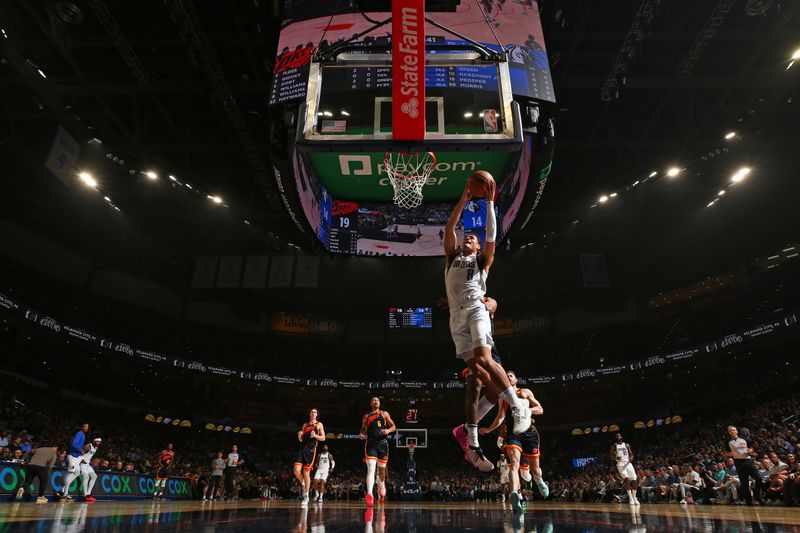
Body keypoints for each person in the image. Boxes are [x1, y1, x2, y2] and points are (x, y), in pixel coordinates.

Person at [444, 179, 531, 472]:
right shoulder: (451, 259)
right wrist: (463, 199)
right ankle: (472, 442)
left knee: (482, 364)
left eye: (471, 237)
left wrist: (490, 202)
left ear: (479, 246)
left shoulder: (482, 262)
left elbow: (492, 235)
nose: (467, 237)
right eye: (465, 236)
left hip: (476, 309)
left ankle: (518, 408)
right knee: (477, 372)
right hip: (457, 317)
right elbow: (449, 229)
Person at [482, 371, 545, 513]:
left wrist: (526, 410)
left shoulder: (525, 392)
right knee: (514, 465)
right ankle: (516, 496)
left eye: (511, 375)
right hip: (513, 435)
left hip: (528, 433)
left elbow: (540, 409)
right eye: (506, 376)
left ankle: (538, 480)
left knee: (528, 474)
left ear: (516, 379)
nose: (508, 377)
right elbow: (500, 417)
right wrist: (489, 429)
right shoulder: (503, 397)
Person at [359, 397, 396, 507]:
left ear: (379, 403)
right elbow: (363, 429)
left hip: (382, 444)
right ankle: (370, 494)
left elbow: (394, 427)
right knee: (371, 469)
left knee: (381, 471)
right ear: (371, 403)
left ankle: (381, 485)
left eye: (377, 400)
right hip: (370, 444)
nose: (376, 401)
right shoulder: (366, 416)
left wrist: (388, 430)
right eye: (374, 400)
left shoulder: (384, 414)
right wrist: (362, 434)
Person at [726, 425, 764, 505]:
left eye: (733, 430)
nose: (732, 431)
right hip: (738, 463)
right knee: (744, 484)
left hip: (748, 461)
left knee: (759, 478)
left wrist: (751, 451)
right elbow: (727, 454)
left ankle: (757, 495)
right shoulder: (728, 442)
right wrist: (730, 454)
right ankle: (749, 501)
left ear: (737, 431)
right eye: (730, 431)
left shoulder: (745, 439)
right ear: (729, 433)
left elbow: (753, 451)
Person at [294, 409, 325, 506]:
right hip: (302, 448)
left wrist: (315, 435)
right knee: (296, 471)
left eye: (315, 412)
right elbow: (301, 439)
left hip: (311, 449)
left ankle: (306, 496)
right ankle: (303, 483)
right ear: (309, 414)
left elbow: (323, 438)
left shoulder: (319, 424)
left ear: (317, 415)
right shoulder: (305, 425)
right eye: (312, 412)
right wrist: (299, 436)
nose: (313, 413)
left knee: (306, 472)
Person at [57, 423, 89, 500]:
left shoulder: (83, 436)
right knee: (70, 474)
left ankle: (63, 489)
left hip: (76, 457)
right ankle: (65, 494)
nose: (86, 428)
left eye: (87, 427)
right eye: (85, 427)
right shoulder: (79, 434)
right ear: (82, 427)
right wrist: (80, 450)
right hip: (72, 456)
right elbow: (73, 445)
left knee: (77, 472)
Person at [610, 433, 640, 506]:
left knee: (635, 479)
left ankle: (634, 497)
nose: (618, 436)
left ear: (621, 437)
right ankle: (631, 499)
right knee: (626, 479)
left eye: (619, 435)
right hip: (620, 464)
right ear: (615, 438)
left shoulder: (627, 445)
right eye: (616, 436)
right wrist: (616, 458)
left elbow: (631, 454)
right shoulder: (614, 446)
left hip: (628, 463)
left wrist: (631, 458)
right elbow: (611, 457)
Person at [79, 438, 102, 502]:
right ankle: (85, 495)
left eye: (99, 442)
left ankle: (88, 494)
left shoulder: (96, 448)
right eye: (97, 441)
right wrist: (81, 460)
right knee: (86, 477)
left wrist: (90, 461)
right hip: (82, 464)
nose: (98, 443)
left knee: (94, 476)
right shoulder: (89, 446)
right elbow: (80, 452)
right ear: (94, 441)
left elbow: (89, 456)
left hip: (87, 465)